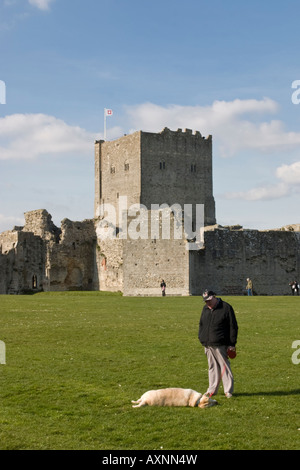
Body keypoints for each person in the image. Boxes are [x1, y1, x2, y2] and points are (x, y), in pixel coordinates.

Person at [198, 290, 238, 398]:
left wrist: (232, 344)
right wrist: (201, 337)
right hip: (207, 343)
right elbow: (201, 324)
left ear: (214, 297)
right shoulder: (205, 309)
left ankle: (228, 390)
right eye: (206, 301)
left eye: (209, 300)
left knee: (224, 366)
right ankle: (212, 389)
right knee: (212, 367)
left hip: (221, 343)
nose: (208, 303)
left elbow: (233, 327)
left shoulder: (226, 308)